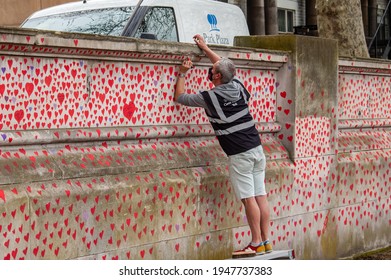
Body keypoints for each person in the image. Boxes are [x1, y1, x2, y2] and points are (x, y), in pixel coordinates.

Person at [174, 34, 272, 257]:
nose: (212, 68)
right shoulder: (237, 85)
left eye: (213, 68)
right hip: (257, 149)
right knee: (261, 196)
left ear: (216, 75)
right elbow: (224, 68)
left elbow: (180, 97)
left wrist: (182, 72)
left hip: (240, 154)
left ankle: (255, 243)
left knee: (249, 199)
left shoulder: (210, 97)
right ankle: (266, 241)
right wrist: (205, 48)